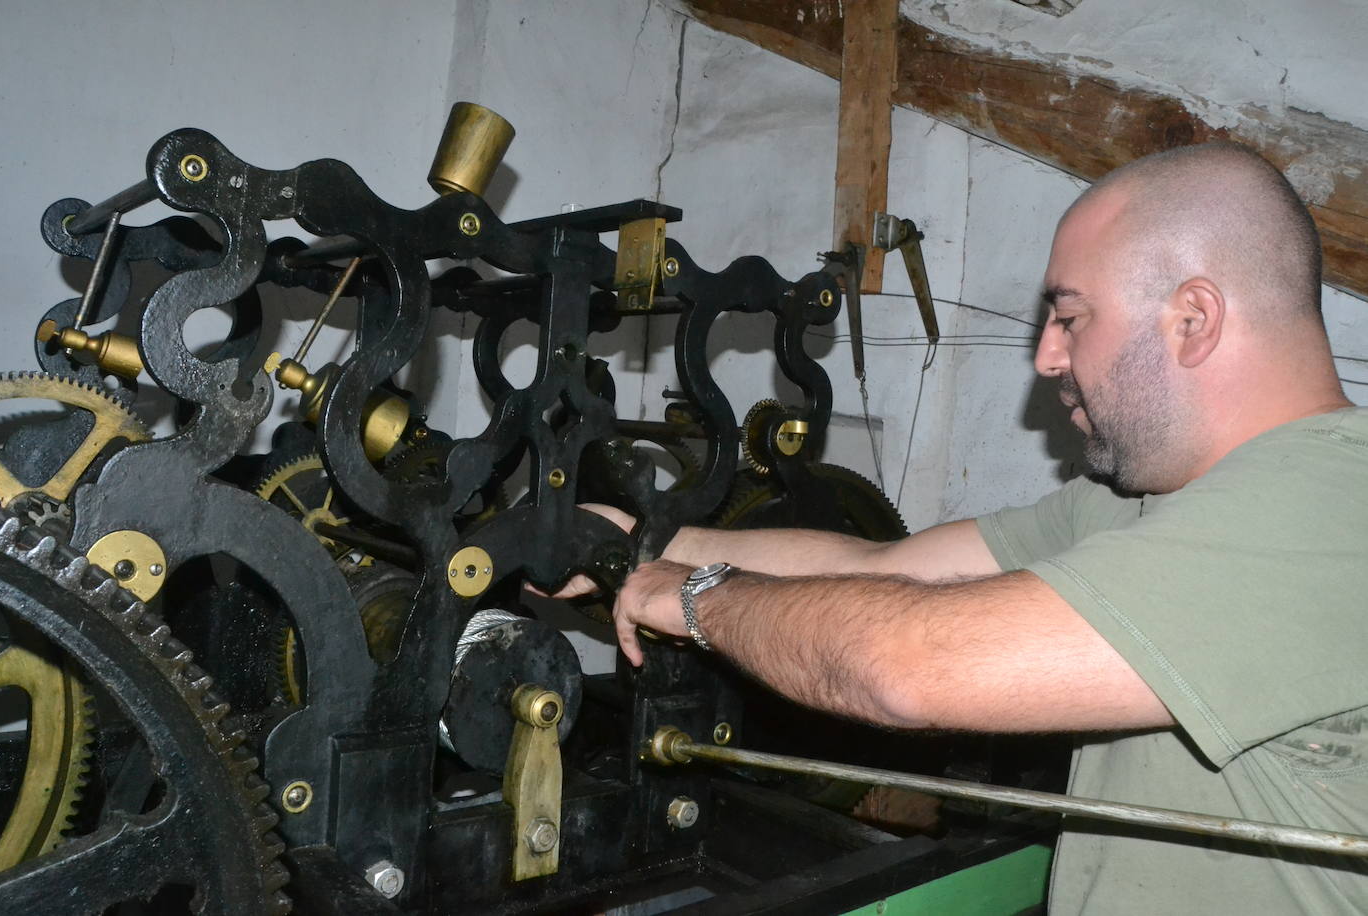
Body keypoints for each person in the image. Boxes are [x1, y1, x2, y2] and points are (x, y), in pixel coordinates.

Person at [553, 142, 1368, 912]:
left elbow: (905, 665)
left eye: (1071, 317)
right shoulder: (1157, 499)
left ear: (1193, 319)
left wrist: (695, 596)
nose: (1046, 356)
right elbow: (891, 565)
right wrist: (637, 545)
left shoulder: (1332, 508)